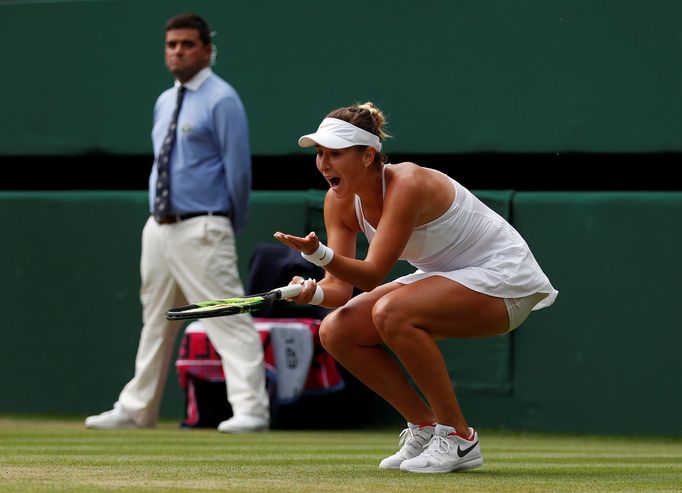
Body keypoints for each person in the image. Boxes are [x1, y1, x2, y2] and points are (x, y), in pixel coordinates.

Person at [274, 102, 558, 473]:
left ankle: (458, 438)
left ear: (367, 156)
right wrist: (313, 293)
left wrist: (318, 254)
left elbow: (372, 273)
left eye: (336, 154)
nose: (324, 164)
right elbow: (341, 290)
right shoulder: (339, 203)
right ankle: (424, 427)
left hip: (505, 282)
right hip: (444, 279)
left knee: (391, 311)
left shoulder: (408, 182)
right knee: (336, 329)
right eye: (320, 154)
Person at [85, 13, 269, 433]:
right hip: (160, 227)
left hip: (203, 225)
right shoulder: (165, 101)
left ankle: (252, 410)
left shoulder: (223, 99)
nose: (178, 51)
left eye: (187, 44)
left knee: (226, 315)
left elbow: (238, 171)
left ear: (207, 50)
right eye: (171, 45)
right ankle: (138, 408)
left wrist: (224, 222)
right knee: (155, 319)